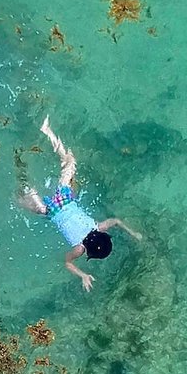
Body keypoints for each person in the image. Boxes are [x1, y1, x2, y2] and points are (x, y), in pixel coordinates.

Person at [18, 116, 141, 292]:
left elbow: (116, 221)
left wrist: (133, 233)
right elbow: (67, 262)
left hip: (65, 199)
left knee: (70, 162)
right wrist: (83, 275)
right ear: (90, 253)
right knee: (25, 197)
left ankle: (47, 131)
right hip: (51, 211)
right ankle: (20, 168)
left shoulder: (99, 227)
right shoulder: (79, 249)